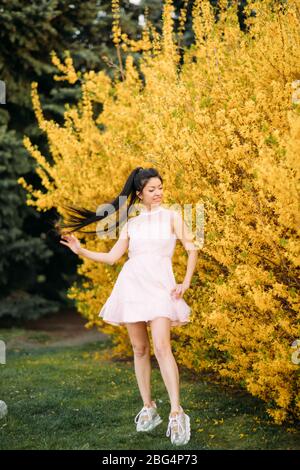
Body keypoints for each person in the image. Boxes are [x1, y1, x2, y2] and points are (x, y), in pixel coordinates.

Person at [58, 167, 199, 446]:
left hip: (161, 287)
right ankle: (149, 407)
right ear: (139, 194)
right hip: (132, 286)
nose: (158, 193)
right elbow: (113, 258)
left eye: (160, 187)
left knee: (161, 347)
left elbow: (192, 248)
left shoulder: (172, 216)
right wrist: (80, 250)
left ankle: (176, 412)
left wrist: (185, 283)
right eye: (152, 189)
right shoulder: (131, 223)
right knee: (139, 348)